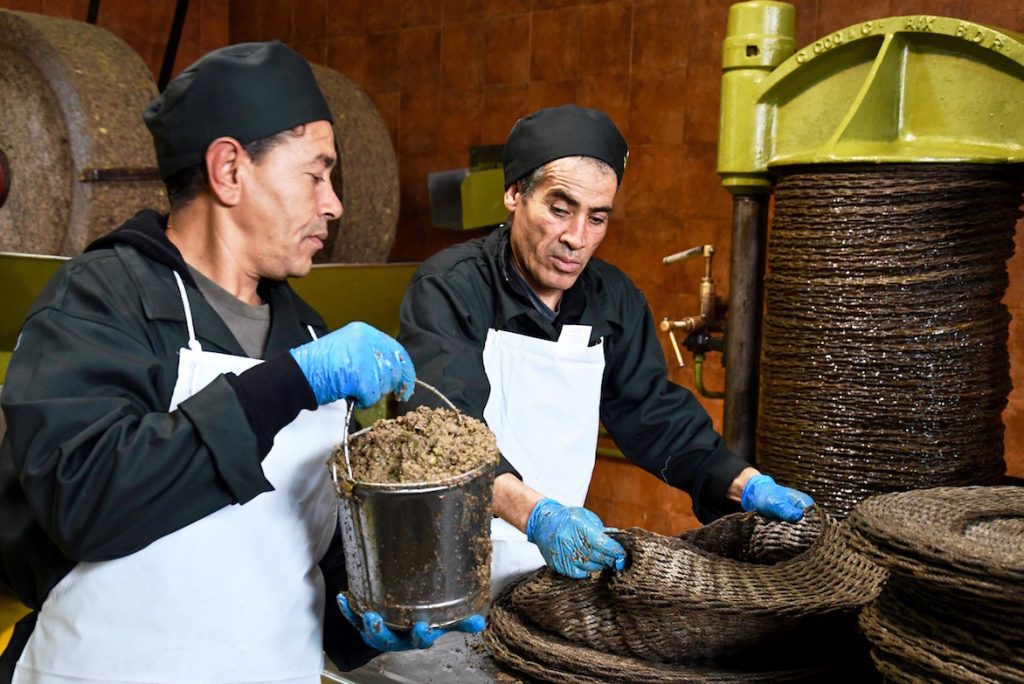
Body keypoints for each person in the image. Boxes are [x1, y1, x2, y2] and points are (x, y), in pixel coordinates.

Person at [0, 42, 478, 684]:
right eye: (316, 174)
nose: (334, 204)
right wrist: (289, 383)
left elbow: (312, 558)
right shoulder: (102, 300)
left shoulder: (306, 331)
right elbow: (84, 502)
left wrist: (368, 618)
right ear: (229, 170)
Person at [398, 105, 814, 592]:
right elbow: (444, 433)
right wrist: (540, 519)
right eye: (560, 209)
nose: (577, 238)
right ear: (514, 194)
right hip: (445, 562)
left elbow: (652, 414)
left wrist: (745, 485)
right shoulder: (451, 288)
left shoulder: (612, 301)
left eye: (597, 218)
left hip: (546, 574)